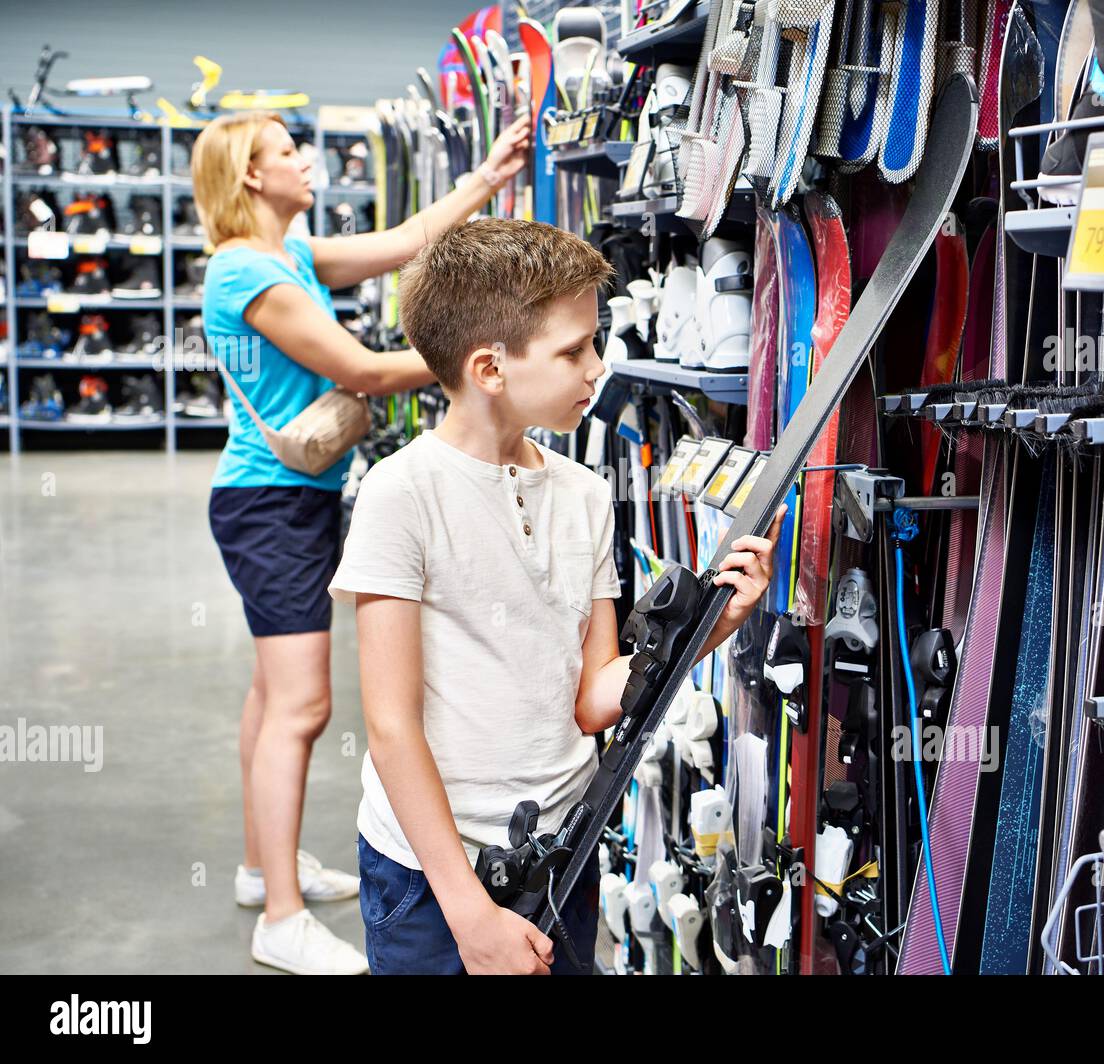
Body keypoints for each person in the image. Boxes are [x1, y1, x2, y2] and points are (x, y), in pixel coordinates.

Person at [328, 218, 786, 974]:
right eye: (574, 350)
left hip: (561, 853)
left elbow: (594, 697)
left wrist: (716, 625)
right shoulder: (401, 494)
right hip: (430, 876)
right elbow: (391, 727)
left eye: (595, 343)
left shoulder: (584, 494)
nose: (597, 368)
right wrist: (470, 913)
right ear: (489, 368)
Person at [192, 108, 532, 975]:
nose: (305, 163)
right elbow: (364, 371)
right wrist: (497, 353)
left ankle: (261, 863)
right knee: (304, 708)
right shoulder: (245, 275)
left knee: (272, 701)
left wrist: (488, 178)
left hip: (283, 500)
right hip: (269, 508)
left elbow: (408, 238)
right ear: (250, 178)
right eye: (285, 153)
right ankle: (280, 915)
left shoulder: (289, 257)